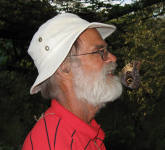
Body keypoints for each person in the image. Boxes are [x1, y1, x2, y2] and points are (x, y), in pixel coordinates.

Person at [22, 13, 122, 150]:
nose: (112, 58)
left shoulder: (83, 131)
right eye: (100, 51)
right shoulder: (50, 143)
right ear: (64, 66)